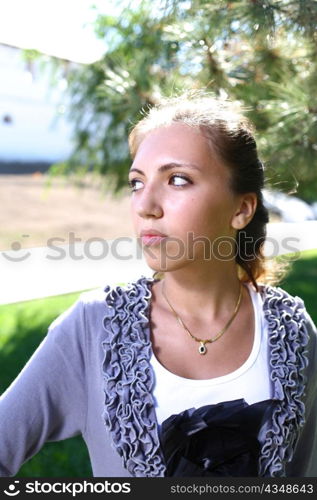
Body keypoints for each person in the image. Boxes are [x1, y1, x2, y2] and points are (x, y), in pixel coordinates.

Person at [0, 91, 316, 478]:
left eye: (177, 179)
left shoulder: (292, 332)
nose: (145, 204)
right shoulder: (93, 327)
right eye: (136, 182)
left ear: (241, 209)